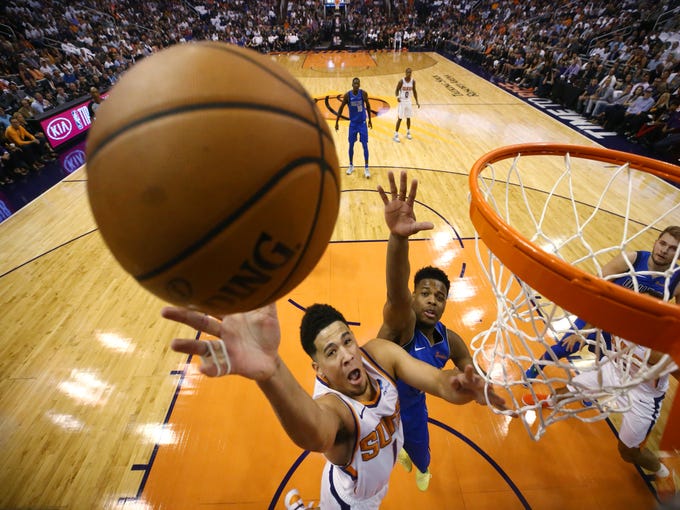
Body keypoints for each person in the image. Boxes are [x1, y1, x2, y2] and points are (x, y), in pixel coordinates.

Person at [164, 303, 507, 509]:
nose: (346, 355)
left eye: (347, 341)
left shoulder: (379, 355)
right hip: (350, 502)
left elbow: (438, 383)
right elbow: (315, 433)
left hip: (371, 482)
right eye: (331, 352)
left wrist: (464, 387)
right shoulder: (333, 408)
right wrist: (272, 372)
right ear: (318, 369)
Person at [375, 170, 484, 491]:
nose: (432, 301)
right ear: (414, 295)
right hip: (378, 409)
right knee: (378, 464)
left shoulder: (448, 339)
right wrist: (397, 238)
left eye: (439, 296)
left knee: (423, 460)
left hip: (413, 408)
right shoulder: (402, 323)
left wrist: (477, 380)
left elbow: (467, 362)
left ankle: (416, 463)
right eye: (425, 293)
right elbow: (395, 292)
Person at [525, 226, 680, 379]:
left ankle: (586, 389)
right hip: (599, 314)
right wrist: (584, 329)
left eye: (673, 248)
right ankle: (538, 365)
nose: (664, 250)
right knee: (564, 348)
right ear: (655, 242)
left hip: (625, 331)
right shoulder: (632, 259)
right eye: (662, 243)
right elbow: (594, 289)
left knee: (606, 365)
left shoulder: (677, 279)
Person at [335, 77, 372, 179]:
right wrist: (337, 121)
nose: (356, 85)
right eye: (354, 83)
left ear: (359, 85)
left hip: (362, 123)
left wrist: (370, 121)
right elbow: (341, 108)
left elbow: (368, 106)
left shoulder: (363, 94)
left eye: (357, 84)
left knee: (365, 145)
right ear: (352, 84)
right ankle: (351, 165)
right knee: (351, 145)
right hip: (353, 124)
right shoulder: (347, 95)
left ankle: (367, 168)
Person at [393, 68, 419, 143]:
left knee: (408, 117)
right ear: (405, 73)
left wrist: (417, 101)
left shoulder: (413, 81)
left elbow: (414, 91)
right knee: (400, 118)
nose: (409, 74)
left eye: (410, 72)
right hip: (402, 101)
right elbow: (396, 90)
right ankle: (395, 134)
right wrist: (397, 97)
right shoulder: (401, 81)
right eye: (408, 72)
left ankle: (408, 132)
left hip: (409, 101)